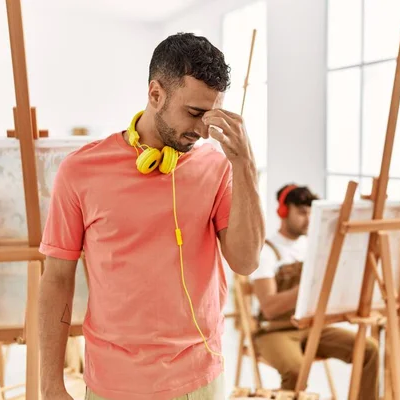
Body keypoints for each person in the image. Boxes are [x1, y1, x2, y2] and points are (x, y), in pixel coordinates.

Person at [38, 33, 265, 400]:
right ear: (155, 93)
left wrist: (246, 165)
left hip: (200, 379)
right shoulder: (80, 170)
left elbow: (246, 260)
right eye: (193, 113)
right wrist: (50, 384)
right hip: (114, 383)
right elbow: (56, 279)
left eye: (210, 116)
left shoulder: (218, 167)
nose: (203, 130)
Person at [250, 184, 379, 399]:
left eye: (311, 212)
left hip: (313, 326)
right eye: (301, 212)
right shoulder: (267, 251)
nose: (308, 219)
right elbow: (269, 308)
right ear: (283, 212)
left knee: (369, 349)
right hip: (275, 331)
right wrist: (306, 290)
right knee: (296, 370)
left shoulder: (312, 246)